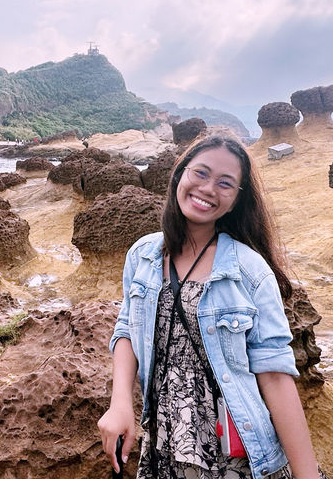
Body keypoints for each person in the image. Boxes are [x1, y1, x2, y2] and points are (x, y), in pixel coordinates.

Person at [98, 134, 322, 479]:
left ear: (234, 202)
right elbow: (127, 327)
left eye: (225, 183)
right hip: (161, 446)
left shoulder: (249, 270)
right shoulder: (142, 255)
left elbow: (276, 375)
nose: (207, 188)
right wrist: (120, 403)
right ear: (179, 175)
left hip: (233, 453)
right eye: (200, 173)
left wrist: (307, 474)